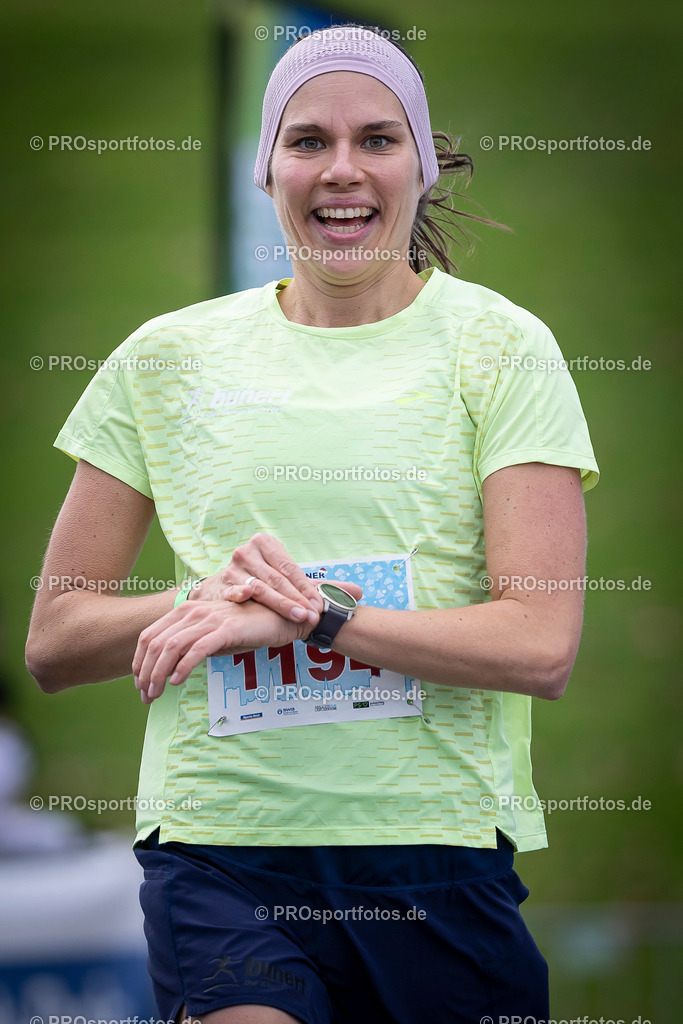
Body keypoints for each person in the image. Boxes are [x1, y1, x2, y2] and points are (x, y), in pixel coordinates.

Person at [26, 23, 599, 1024]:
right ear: (266, 169)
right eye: (307, 141)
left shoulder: (502, 349)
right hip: (220, 847)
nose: (342, 169)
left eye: (377, 139)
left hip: (432, 855)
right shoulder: (165, 359)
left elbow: (538, 641)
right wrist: (211, 594)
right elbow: (56, 638)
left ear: (420, 165)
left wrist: (312, 613)